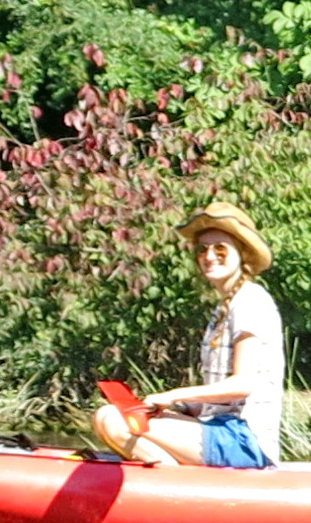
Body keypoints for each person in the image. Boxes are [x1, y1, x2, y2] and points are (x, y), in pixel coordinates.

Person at [90, 201, 288, 468]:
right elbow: (220, 403)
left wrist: (173, 395)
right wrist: (179, 408)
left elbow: (242, 386)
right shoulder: (224, 307)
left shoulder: (250, 300)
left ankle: (175, 490)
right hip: (219, 428)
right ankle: (171, 480)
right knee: (105, 416)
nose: (209, 255)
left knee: (113, 420)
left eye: (220, 248)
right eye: (202, 249)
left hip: (244, 440)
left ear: (243, 253)